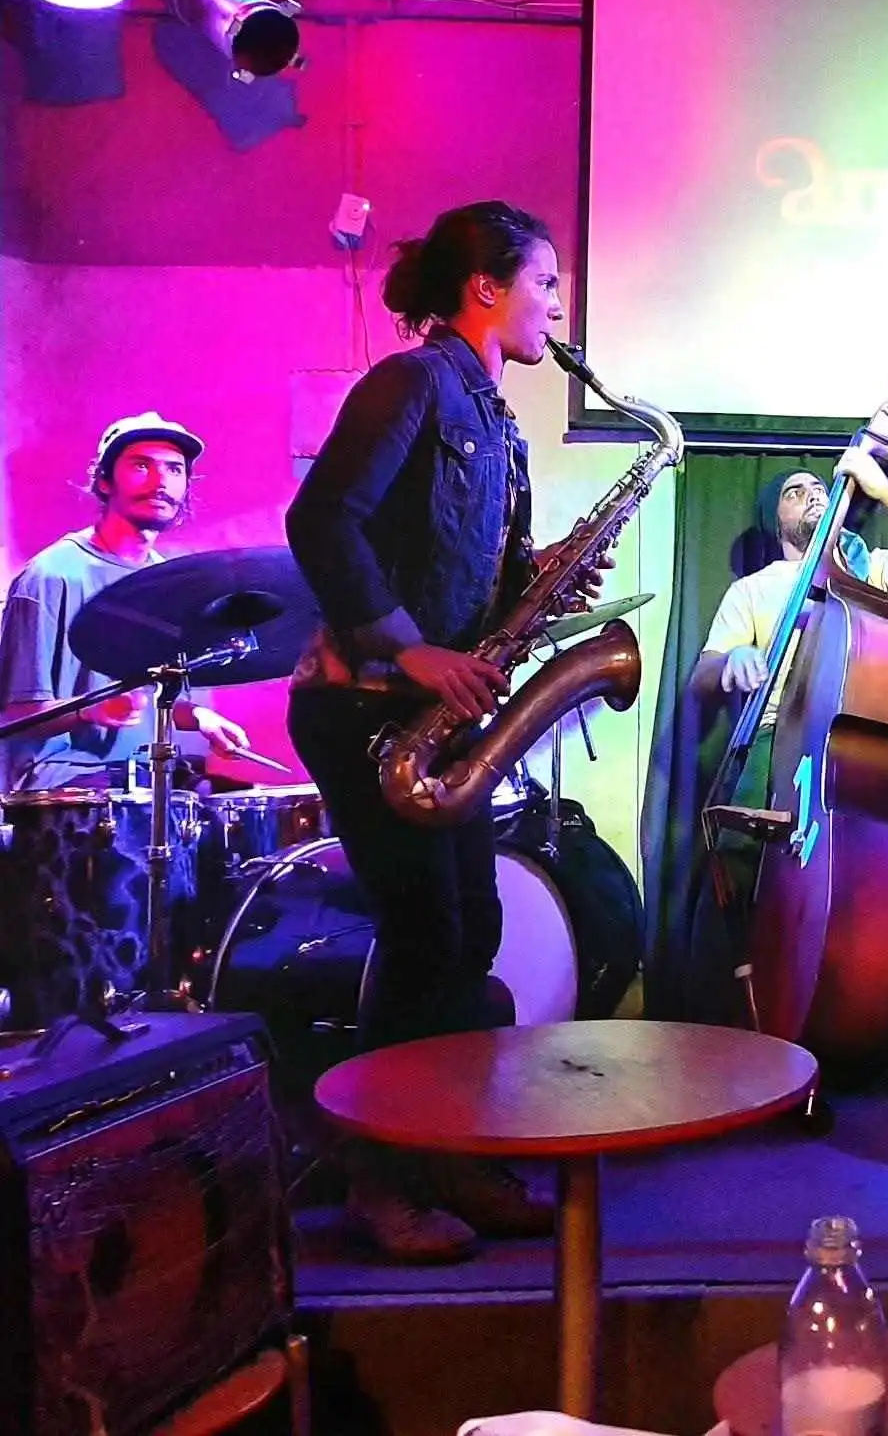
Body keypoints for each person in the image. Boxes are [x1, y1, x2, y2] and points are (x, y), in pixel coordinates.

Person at [286, 200, 588, 1263]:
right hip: (367, 704)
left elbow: (469, 569)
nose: (557, 305)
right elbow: (321, 518)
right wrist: (407, 647)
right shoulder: (412, 382)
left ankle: (451, 1151)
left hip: (436, 714)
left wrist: (544, 576)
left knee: (467, 935)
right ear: (487, 288)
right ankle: (379, 1177)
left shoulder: (500, 424)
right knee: (424, 937)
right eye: (545, 282)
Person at [687, 448, 888, 1093]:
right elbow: (702, 675)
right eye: (794, 491)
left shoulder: (870, 569)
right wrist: (733, 662)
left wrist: (885, 492)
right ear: (776, 520)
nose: (811, 493)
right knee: (745, 873)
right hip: (777, 736)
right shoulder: (753, 590)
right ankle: (743, 1037)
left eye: (818, 485)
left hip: (864, 743)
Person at [1, 413, 250, 792]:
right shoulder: (51, 577)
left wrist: (199, 716)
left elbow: (159, 700)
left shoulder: (167, 583)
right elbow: (14, 715)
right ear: (104, 481)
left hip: (146, 775)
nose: (160, 481)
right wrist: (90, 710)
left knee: (242, 806)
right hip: (64, 785)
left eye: (174, 469)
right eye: (141, 465)